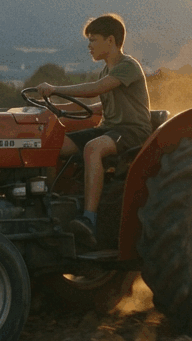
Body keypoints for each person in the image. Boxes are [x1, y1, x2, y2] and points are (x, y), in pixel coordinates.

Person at [36, 13, 151, 249]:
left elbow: (95, 89)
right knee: (53, 144)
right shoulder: (105, 72)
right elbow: (99, 104)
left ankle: (89, 219)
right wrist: (56, 108)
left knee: (92, 148)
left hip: (131, 132)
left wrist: (55, 89)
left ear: (110, 41)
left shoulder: (127, 66)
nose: (89, 46)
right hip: (108, 128)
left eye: (93, 40)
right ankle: (45, 205)